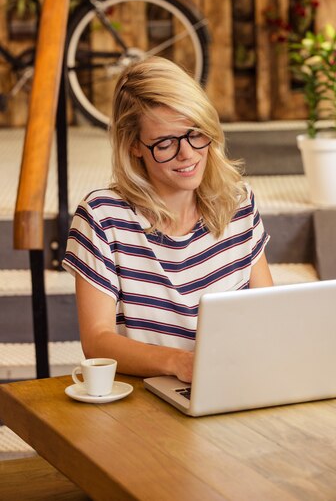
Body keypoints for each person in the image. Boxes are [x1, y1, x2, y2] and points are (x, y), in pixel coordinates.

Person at [63, 56, 273, 383]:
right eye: (165, 143)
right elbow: (97, 341)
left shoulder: (237, 202)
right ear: (134, 146)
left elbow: (268, 311)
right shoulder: (104, 218)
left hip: (231, 382)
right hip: (148, 398)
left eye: (195, 134)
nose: (187, 154)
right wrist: (180, 362)